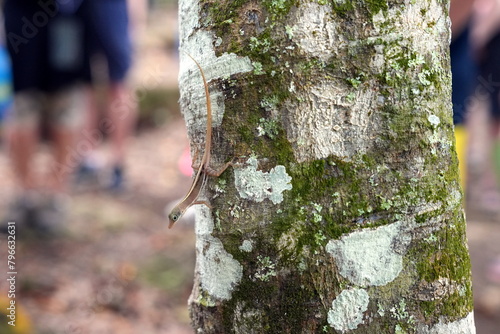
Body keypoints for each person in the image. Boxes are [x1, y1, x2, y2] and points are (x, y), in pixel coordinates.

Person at [2, 0, 87, 232]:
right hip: (21, 20)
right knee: (23, 107)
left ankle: (55, 198)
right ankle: (24, 195)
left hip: (67, 18)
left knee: (64, 106)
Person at [76, 0, 138, 192]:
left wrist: (137, 22)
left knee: (118, 85)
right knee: (84, 87)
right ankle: (86, 159)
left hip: (113, 8)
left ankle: (117, 165)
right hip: (75, 9)